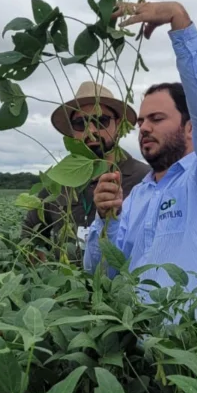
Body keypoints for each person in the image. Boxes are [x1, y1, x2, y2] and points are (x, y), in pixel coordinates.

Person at [85, 1, 197, 305]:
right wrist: (105, 220)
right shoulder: (136, 196)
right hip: (140, 345)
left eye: (157, 119)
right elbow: (103, 274)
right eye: (141, 121)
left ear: (190, 127)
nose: (144, 127)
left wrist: (179, 22)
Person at [22, 81, 150, 261]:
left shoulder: (145, 178)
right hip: (68, 287)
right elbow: (30, 234)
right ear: (72, 132)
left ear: (118, 126)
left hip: (124, 287)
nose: (91, 131)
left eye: (101, 121)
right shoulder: (58, 180)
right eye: (80, 123)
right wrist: (48, 281)